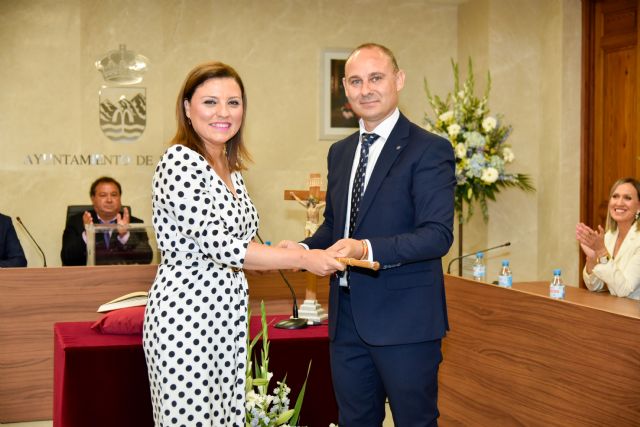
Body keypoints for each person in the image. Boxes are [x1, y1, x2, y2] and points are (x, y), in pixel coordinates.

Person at [142, 61, 343, 426]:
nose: (223, 112)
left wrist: (286, 253)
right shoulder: (180, 162)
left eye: (233, 102)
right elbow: (221, 246)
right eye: (210, 102)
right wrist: (300, 259)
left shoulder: (231, 169)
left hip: (227, 319)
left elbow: (243, 244)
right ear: (187, 108)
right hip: (186, 318)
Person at [280, 43, 455, 426]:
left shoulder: (429, 150)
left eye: (376, 78)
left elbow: (437, 235)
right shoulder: (340, 153)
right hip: (346, 321)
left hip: (406, 322)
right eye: (356, 81)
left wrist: (366, 248)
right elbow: (336, 227)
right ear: (345, 88)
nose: (366, 89)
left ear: (399, 79)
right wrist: (302, 249)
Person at [60, 176, 153, 266]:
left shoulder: (134, 223)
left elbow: (147, 259)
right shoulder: (76, 222)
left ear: (120, 198)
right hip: (89, 276)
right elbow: (67, 259)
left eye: (114, 195)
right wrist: (88, 235)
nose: (109, 200)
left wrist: (125, 236)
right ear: (93, 199)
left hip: (122, 275)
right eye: (103, 195)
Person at [576, 177, 640, 300]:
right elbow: (595, 286)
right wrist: (592, 259)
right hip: (612, 308)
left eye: (627, 198)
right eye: (615, 196)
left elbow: (624, 290)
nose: (619, 203)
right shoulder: (609, 237)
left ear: (639, 207)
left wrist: (601, 252)